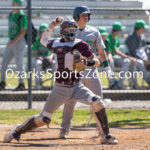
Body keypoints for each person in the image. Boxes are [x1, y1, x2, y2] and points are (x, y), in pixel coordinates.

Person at [3, 17, 118, 145]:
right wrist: (52, 25)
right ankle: (16, 131)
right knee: (44, 118)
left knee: (98, 102)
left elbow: (96, 61)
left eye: (74, 29)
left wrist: (86, 61)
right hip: (59, 88)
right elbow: (43, 40)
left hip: (76, 86)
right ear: (62, 31)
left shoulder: (81, 44)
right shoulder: (56, 42)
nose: (72, 31)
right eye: (68, 28)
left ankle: (106, 136)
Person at [59, 6, 117, 145]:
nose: (86, 17)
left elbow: (101, 51)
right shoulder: (69, 32)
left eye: (87, 15)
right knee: (70, 101)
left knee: (99, 101)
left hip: (91, 71)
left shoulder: (94, 32)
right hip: (74, 72)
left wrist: (107, 67)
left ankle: (103, 132)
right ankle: (64, 129)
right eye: (83, 15)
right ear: (76, 17)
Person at [0, 0, 27, 90]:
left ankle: (21, 84)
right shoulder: (11, 14)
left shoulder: (21, 15)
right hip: (11, 41)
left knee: (19, 64)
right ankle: (2, 82)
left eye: (19, 4)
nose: (17, 5)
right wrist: (10, 41)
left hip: (18, 42)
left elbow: (23, 32)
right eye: (16, 4)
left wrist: (13, 42)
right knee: (4, 62)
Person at [104, 21, 137, 89]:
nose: (120, 32)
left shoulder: (116, 38)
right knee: (123, 60)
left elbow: (117, 51)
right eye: (120, 30)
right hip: (110, 58)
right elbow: (115, 51)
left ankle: (120, 84)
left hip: (116, 58)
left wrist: (129, 58)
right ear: (118, 30)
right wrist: (129, 57)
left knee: (128, 61)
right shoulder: (108, 38)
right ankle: (114, 83)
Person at [125, 19, 150, 88]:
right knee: (140, 63)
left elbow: (145, 49)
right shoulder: (131, 37)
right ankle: (146, 82)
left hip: (142, 58)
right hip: (132, 57)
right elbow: (132, 52)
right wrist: (143, 59)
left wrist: (147, 58)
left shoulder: (142, 37)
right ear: (139, 28)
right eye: (143, 28)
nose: (144, 30)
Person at [32, 23, 54, 90]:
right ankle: (38, 83)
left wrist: (50, 57)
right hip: (40, 58)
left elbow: (53, 52)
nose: (43, 33)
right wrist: (39, 58)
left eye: (45, 31)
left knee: (55, 63)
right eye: (42, 31)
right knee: (38, 63)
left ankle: (57, 83)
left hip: (48, 57)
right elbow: (34, 54)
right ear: (40, 32)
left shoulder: (50, 40)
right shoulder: (37, 40)